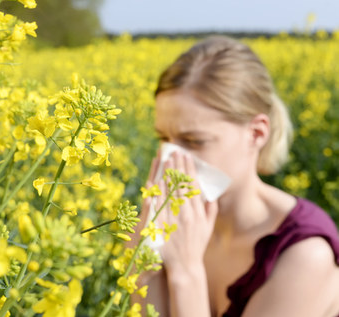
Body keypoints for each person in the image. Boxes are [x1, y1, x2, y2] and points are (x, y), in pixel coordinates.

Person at [129, 35, 339, 317]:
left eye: (194, 141)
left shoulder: (303, 252)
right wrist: (145, 264)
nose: (171, 159)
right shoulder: (177, 223)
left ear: (256, 134)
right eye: (163, 138)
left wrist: (186, 272)